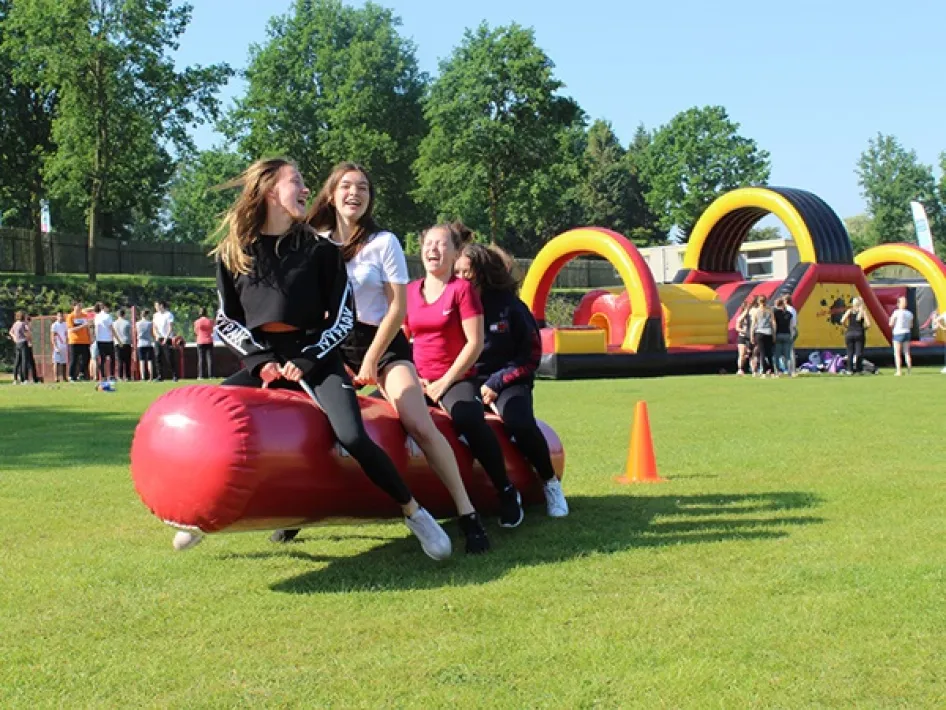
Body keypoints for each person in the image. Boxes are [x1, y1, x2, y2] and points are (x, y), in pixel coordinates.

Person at [173, 157, 451, 561]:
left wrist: (306, 359)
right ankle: (201, 515)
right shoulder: (234, 253)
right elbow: (226, 320)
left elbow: (341, 319)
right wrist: (259, 360)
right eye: (297, 182)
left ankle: (414, 512)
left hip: (316, 358)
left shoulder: (322, 250)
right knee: (210, 422)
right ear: (271, 191)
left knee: (352, 437)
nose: (307, 190)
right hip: (263, 361)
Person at [285, 161, 490, 553]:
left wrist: (370, 361)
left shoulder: (384, 242)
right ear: (331, 192)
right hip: (330, 345)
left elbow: (397, 310)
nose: (354, 193)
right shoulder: (313, 238)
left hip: (382, 343)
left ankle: (468, 515)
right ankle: (300, 512)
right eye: (346, 186)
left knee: (418, 421)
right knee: (313, 423)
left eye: (363, 187)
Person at [405, 221, 524, 528]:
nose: (433, 249)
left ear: (456, 253)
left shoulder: (463, 290)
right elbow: (403, 338)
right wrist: (411, 377)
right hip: (417, 379)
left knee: (469, 418)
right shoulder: (409, 291)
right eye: (428, 243)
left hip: (455, 379)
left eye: (442, 244)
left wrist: (445, 382)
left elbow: (475, 343)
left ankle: (506, 490)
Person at [455, 241, 568, 518]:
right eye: (455, 272)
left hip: (508, 380)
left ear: (481, 273)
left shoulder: (510, 307)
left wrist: (495, 384)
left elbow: (530, 356)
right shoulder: (452, 304)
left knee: (519, 422)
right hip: (465, 380)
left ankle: (550, 483)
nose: (459, 279)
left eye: (465, 273)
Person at [841, 296, 871, 374]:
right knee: (859, 352)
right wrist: (863, 329)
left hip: (849, 333)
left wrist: (846, 326)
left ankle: (849, 370)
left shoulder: (849, 311)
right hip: (859, 333)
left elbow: (842, 320)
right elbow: (868, 324)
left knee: (850, 352)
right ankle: (858, 369)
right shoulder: (863, 312)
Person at [65, 300, 92, 381]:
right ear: (74, 307)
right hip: (74, 341)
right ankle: (71, 376)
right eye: (78, 306)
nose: (80, 307)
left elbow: (89, 326)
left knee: (86, 358)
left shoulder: (85, 315)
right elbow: (71, 329)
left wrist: (90, 338)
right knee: (74, 359)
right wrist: (83, 325)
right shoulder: (70, 316)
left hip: (85, 341)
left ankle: (82, 374)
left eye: (81, 306)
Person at [750, 295, 775, 377]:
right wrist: (774, 334)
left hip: (759, 332)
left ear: (758, 302)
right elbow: (773, 323)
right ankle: (772, 371)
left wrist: (751, 335)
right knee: (769, 353)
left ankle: (763, 372)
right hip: (768, 332)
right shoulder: (770, 310)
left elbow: (753, 324)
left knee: (762, 353)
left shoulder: (756, 311)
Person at [153, 300, 178, 382]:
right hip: (158, 338)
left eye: (156, 305)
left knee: (169, 357)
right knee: (157, 357)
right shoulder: (155, 315)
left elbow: (170, 327)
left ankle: (174, 375)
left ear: (161, 305)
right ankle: (160, 376)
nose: (155, 307)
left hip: (167, 338)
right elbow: (154, 327)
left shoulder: (168, 315)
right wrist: (156, 335)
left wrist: (166, 338)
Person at [888, 296, 914, 376]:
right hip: (907, 332)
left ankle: (899, 371)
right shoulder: (909, 313)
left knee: (897, 353)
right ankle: (909, 371)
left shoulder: (896, 312)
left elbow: (891, 324)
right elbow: (911, 325)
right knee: (906, 352)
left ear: (898, 304)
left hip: (898, 333)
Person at [93, 302, 117, 381]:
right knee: (112, 358)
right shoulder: (108, 316)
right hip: (108, 340)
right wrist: (118, 339)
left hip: (100, 340)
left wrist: (96, 338)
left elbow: (96, 328)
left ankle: (103, 376)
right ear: (106, 308)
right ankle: (112, 375)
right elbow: (111, 328)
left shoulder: (97, 316)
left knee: (102, 359)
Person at [772, 297, 795, 377]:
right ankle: (789, 372)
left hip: (778, 334)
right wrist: (791, 335)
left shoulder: (775, 312)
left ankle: (777, 372)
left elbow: (774, 324)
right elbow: (791, 326)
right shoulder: (789, 314)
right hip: (787, 334)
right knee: (787, 355)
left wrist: (773, 335)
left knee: (777, 355)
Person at [8, 311, 31, 384]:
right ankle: (25, 379)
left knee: (17, 361)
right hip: (23, 342)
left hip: (17, 343)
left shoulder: (15, 324)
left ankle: (15, 379)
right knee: (24, 361)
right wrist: (29, 340)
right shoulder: (23, 324)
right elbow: (27, 332)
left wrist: (14, 337)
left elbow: (10, 332)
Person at [734, 297, 754, 375]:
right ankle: (740, 369)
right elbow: (737, 327)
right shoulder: (741, 317)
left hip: (750, 336)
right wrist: (744, 331)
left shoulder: (752, 316)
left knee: (751, 353)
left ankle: (753, 369)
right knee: (742, 354)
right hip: (742, 336)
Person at [193, 307, 214, 379]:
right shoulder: (210, 321)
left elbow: (196, 332)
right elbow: (212, 331)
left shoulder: (196, 322)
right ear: (206, 313)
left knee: (201, 359)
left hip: (200, 340)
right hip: (208, 340)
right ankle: (211, 375)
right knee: (210, 358)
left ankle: (201, 375)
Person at [113, 309, 133, 381]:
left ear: (117, 315)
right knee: (127, 361)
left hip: (117, 343)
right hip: (126, 342)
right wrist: (132, 343)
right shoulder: (127, 323)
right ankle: (128, 376)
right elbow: (130, 334)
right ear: (124, 315)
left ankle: (120, 376)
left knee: (119, 360)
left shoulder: (114, 323)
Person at [136, 309, 156, 381]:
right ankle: (150, 377)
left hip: (140, 344)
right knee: (149, 361)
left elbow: (137, 333)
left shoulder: (137, 323)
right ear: (147, 315)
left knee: (142, 361)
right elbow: (152, 333)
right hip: (148, 343)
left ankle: (143, 377)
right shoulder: (150, 323)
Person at [51, 310, 69, 383]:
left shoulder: (65, 324)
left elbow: (67, 334)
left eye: (62, 316)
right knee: (56, 362)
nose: (60, 317)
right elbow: (52, 337)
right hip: (58, 346)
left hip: (64, 345)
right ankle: (56, 378)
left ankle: (64, 377)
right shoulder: (54, 325)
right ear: (57, 317)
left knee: (64, 362)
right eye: (59, 316)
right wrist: (55, 347)